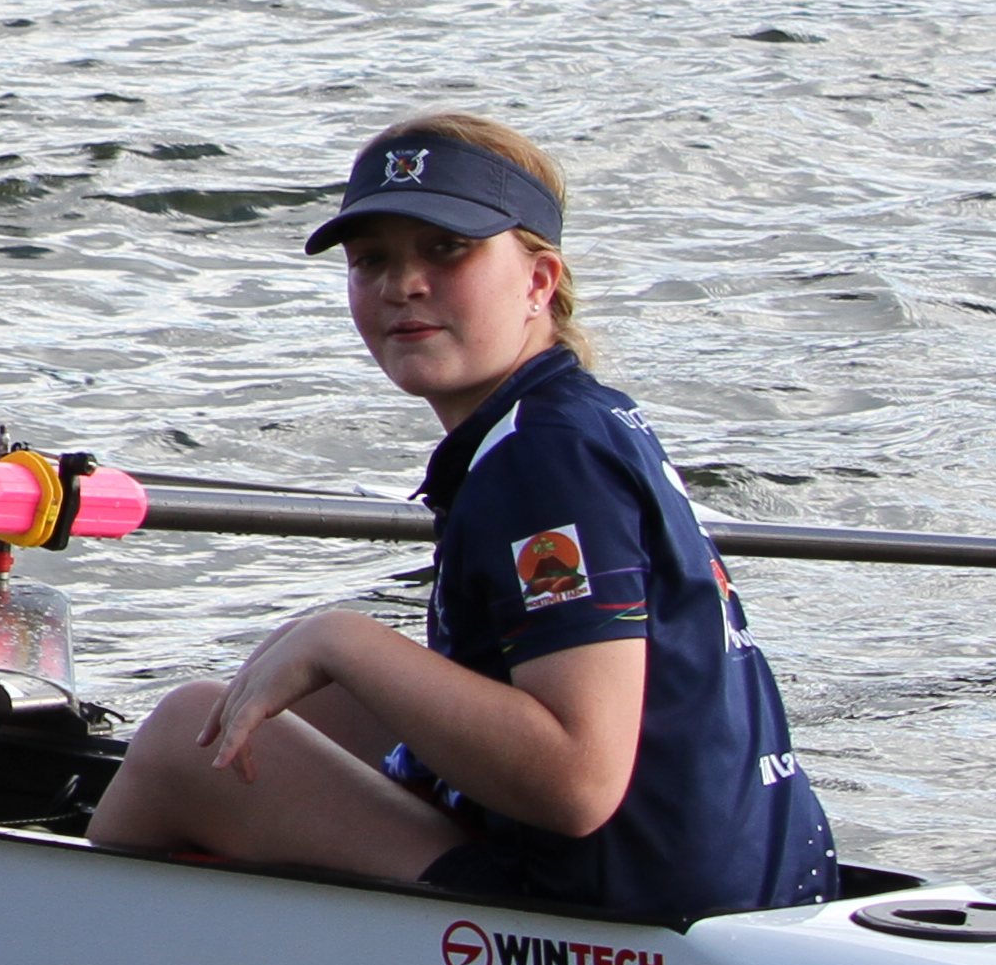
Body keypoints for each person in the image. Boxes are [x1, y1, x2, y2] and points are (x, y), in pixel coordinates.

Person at [86, 114, 841, 923]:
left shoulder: (542, 461)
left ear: (539, 282)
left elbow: (579, 783)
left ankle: (73, 950)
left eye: (447, 250)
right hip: (735, 882)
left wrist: (340, 637)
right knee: (294, 706)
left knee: (183, 736)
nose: (402, 284)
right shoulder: (578, 418)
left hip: (624, 922)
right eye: (372, 260)